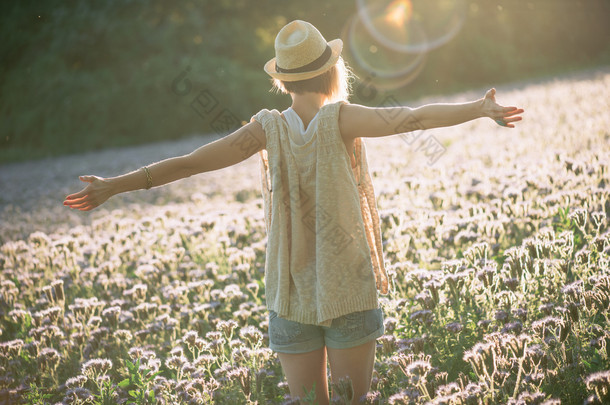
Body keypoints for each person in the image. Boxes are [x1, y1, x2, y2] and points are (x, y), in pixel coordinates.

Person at [64, 19, 523, 404]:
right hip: (348, 288)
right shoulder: (342, 118)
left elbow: (190, 165)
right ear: (331, 72)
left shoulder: (265, 129)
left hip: (290, 293)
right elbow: (412, 118)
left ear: (282, 80)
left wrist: (114, 186)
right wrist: (479, 109)